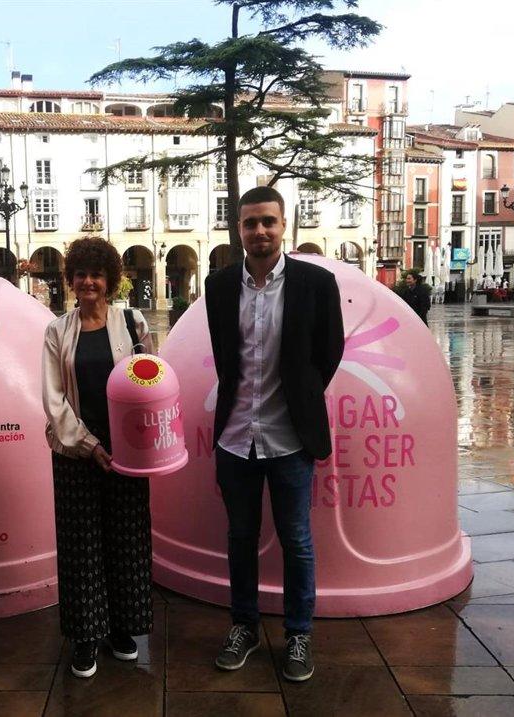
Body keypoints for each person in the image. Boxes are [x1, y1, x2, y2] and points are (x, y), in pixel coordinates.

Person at [204, 186, 344, 682]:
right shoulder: (218, 287)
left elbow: (329, 353)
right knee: (240, 538)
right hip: (236, 437)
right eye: (249, 223)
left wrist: (302, 399)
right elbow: (227, 358)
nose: (259, 231)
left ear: (284, 225)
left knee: (297, 541)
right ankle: (243, 625)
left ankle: (299, 635)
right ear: (238, 229)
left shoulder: (315, 282)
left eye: (268, 221)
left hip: (290, 440)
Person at [42, 236, 154, 679]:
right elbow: (53, 399)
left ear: (110, 280)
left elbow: (150, 380)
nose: (89, 282)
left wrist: (137, 444)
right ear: (71, 280)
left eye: (97, 274)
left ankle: (122, 630)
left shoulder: (132, 322)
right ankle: (87, 637)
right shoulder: (57, 331)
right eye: (81, 274)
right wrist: (89, 446)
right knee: (81, 545)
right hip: (75, 452)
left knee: (126, 541)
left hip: (127, 453)